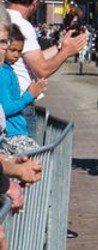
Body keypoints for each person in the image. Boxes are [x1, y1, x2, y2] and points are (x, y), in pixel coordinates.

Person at [6, 0, 88, 129]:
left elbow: (33, 59)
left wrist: (60, 46)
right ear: (35, 2)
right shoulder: (23, 25)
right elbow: (41, 69)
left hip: (6, 103)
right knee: (23, 144)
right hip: (19, 105)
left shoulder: (4, 18)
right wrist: (66, 53)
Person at [0, 21, 46, 153]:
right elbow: (5, 109)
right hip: (11, 135)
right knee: (39, 160)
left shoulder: (7, 70)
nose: (16, 55)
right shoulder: (3, 73)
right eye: (13, 50)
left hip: (15, 132)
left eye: (20, 51)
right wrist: (29, 96)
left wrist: (30, 93)